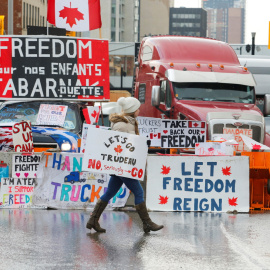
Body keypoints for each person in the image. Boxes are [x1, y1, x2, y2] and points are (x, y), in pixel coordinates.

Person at [86, 97, 164, 233]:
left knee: (110, 192)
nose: (139, 110)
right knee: (139, 191)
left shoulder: (129, 123)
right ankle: (147, 223)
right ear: (133, 111)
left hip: (124, 165)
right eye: (138, 108)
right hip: (123, 166)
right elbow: (117, 146)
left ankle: (92, 220)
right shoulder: (123, 125)